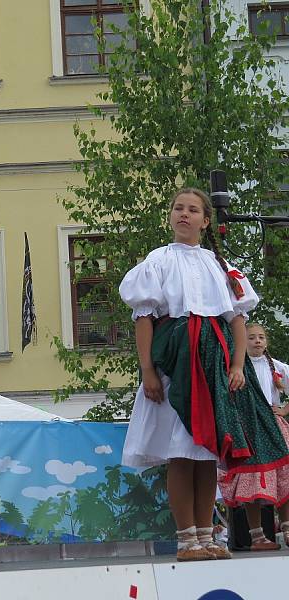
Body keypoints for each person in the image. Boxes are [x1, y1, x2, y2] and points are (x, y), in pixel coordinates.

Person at [119, 187, 289, 562]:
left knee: (207, 453)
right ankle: (186, 539)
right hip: (176, 365)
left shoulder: (219, 265)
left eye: (192, 209)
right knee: (181, 451)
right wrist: (147, 370)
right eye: (178, 208)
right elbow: (144, 319)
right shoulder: (158, 260)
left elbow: (237, 320)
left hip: (213, 366)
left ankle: (206, 535)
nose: (184, 214)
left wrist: (238, 365)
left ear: (205, 220)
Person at [218, 322, 289, 549]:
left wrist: (285, 409)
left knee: (283, 476)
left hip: (274, 426)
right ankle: (257, 536)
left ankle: (287, 528)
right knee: (251, 479)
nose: (257, 341)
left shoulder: (276, 367)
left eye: (261, 337)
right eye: (251, 337)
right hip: (248, 429)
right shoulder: (237, 367)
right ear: (241, 342)